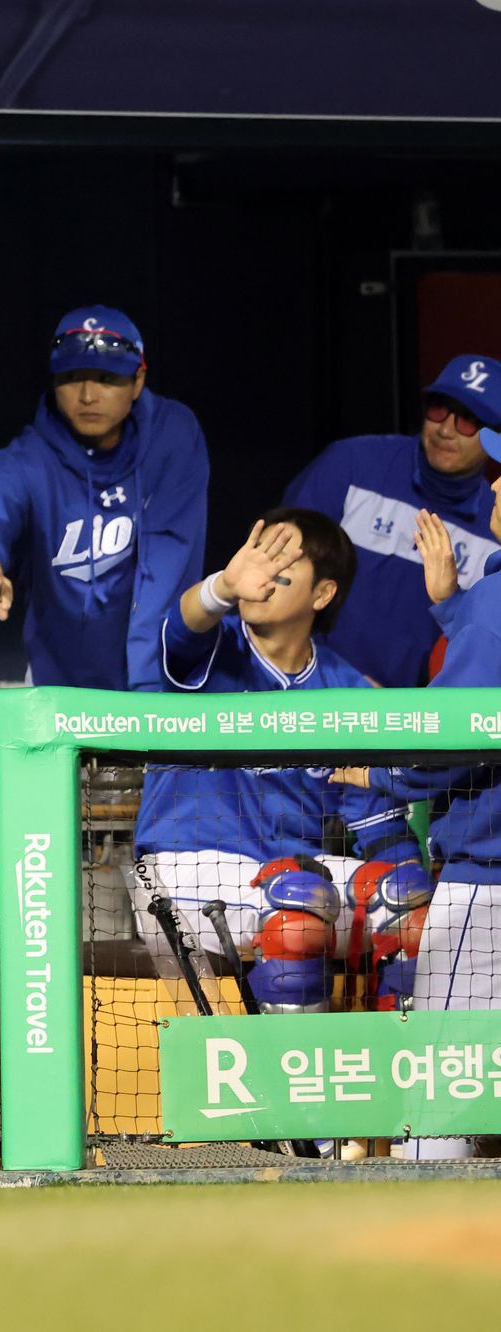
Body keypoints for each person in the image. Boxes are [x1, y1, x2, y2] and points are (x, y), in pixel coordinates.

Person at [131, 509, 420, 1014]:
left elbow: (378, 823)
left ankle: (403, 1071)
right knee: (299, 906)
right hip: (183, 871)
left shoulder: (347, 689)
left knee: (404, 897)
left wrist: (413, 904)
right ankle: (293, 1081)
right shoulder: (215, 653)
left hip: (295, 874)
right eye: (253, 567)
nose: (258, 583)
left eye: (279, 573)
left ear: (322, 594)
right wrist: (221, 585)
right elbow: (180, 629)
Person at [332, 434, 501, 1158]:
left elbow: (449, 740)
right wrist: (454, 610)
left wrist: (382, 779)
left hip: (489, 881)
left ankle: (430, 1261)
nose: (494, 492)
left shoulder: (495, 604)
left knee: (438, 1102)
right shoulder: (486, 603)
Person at [0, 306, 210, 689]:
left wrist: (149, 696)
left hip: (159, 684)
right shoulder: (31, 458)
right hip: (59, 686)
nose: (87, 395)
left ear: (138, 381)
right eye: (71, 377)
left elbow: (167, 567)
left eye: (107, 378)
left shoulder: (172, 439)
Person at [281, 353, 501, 687]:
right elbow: (275, 569)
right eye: (438, 408)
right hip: (302, 682)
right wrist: (336, 677)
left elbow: (478, 644)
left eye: (468, 421)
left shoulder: (496, 520)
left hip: (407, 718)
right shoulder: (351, 466)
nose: (445, 429)